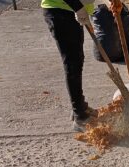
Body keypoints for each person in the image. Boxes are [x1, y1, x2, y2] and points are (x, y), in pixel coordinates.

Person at [41, 0, 97, 132]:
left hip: (71, 10)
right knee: (72, 63)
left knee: (77, 60)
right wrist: (78, 8)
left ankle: (79, 106)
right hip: (61, 11)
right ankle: (80, 118)